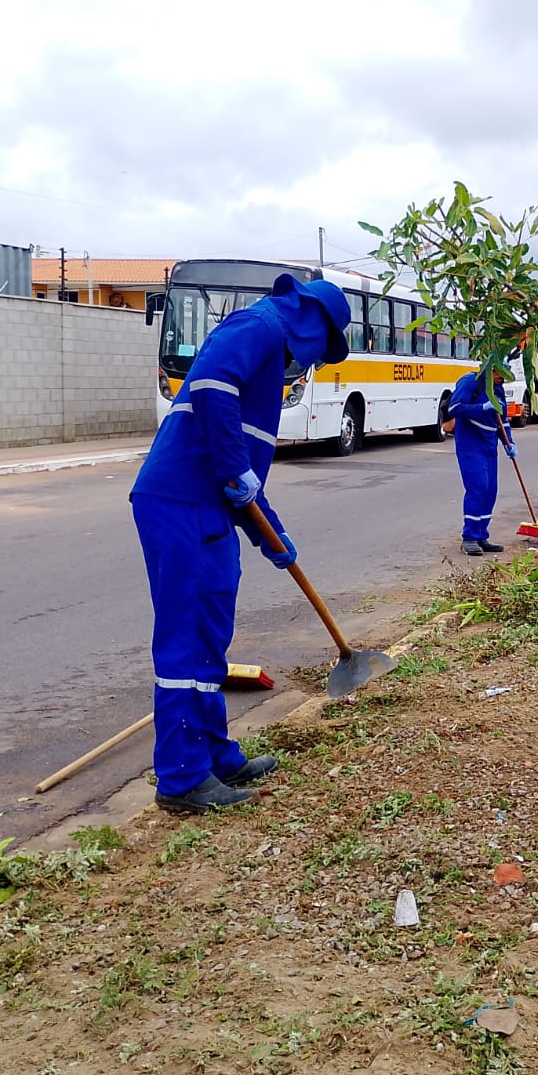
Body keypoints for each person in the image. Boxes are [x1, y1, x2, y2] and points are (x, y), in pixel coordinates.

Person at [131, 273, 353, 813]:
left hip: (207, 508)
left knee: (210, 637)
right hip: (180, 503)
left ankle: (216, 756)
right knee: (186, 642)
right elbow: (210, 390)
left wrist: (271, 535)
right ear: (313, 323)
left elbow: (245, 478)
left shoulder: (269, 359)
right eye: (322, 351)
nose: (315, 363)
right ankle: (182, 780)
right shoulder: (259, 325)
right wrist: (236, 473)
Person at [449, 358, 514, 555]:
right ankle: (469, 537)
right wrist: (482, 408)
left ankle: (481, 535)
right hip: (470, 445)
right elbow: (454, 408)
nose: (500, 379)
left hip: (489, 445)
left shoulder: (498, 387)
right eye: (498, 374)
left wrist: (509, 443)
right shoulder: (470, 382)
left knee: (491, 490)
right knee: (478, 486)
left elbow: (503, 420)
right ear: (489, 369)